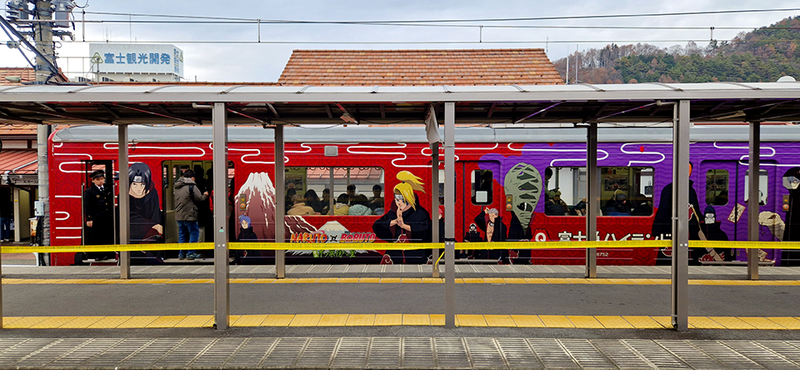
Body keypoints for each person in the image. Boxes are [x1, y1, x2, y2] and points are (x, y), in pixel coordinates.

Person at [372, 171, 432, 264]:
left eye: (402, 199)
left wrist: (404, 226)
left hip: (415, 255)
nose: (398, 202)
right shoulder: (392, 213)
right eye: (396, 199)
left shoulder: (420, 213)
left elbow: (426, 230)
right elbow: (377, 226)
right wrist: (393, 222)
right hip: (395, 255)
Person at [128, 163, 164, 263]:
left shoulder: (153, 193)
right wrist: (153, 225)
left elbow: (155, 213)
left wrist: (155, 226)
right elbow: (128, 216)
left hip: (150, 235)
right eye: (134, 184)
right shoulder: (123, 195)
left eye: (143, 184)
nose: (138, 189)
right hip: (132, 234)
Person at [79, 169, 115, 264]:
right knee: (97, 237)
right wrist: (89, 218)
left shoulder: (108, 188)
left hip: (107, 217)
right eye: (98, 179)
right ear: (93, 180)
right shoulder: (89, 191)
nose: (100, 181)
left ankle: (107, 253)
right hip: (96, 217)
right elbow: (88, 206)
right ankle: (98, 255)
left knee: (107, 235)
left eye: (102, 179)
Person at [174, 169, 208, 260]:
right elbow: (199, 199)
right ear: (192, 178)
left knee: (182, 234)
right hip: (190, 214)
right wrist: (205, 194)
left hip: (179, 215)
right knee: (194, 233)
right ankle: (191, 253)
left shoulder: (177, 186)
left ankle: (181, 253)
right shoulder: (192, 186)